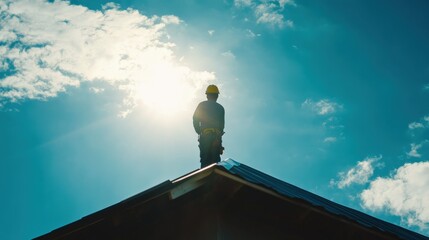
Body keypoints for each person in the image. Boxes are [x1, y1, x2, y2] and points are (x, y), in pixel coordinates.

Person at [193, 85, 225, 168]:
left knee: (205, 159)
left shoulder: (202, 105)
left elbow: (195, 118)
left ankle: (205, 177)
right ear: (217, 96)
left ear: (207, 95)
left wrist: (199, 130)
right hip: (216, 137)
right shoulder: (221, 108)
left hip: (205, 135)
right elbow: (222, 126)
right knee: (215, 161)